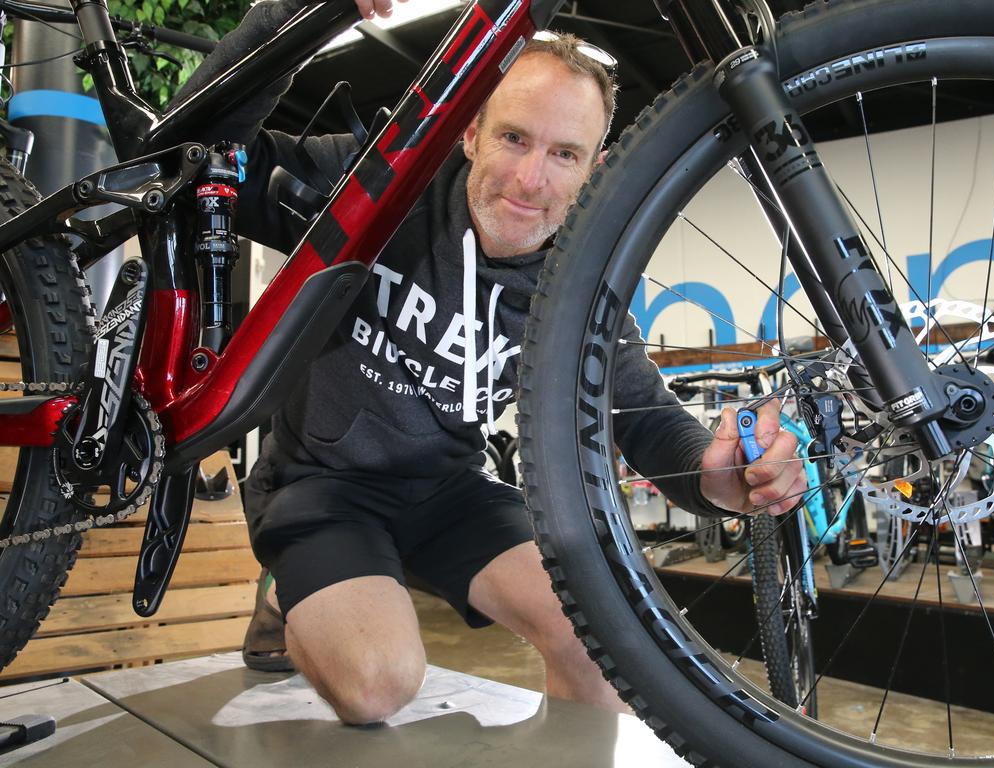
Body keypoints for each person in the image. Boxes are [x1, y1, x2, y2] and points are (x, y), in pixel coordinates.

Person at [179, 0, 807, 724]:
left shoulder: (579, 284)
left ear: (594, 172)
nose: (530, 179)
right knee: (377, 683)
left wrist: (716, 475)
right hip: (321, 485)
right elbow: (207, 153)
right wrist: (301, 13)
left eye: (564, 154)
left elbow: (646, 418)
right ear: (470, 131)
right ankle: (290, 590)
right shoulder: (376, 183)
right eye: (514, 137)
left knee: (606, 641)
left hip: (446, 490)